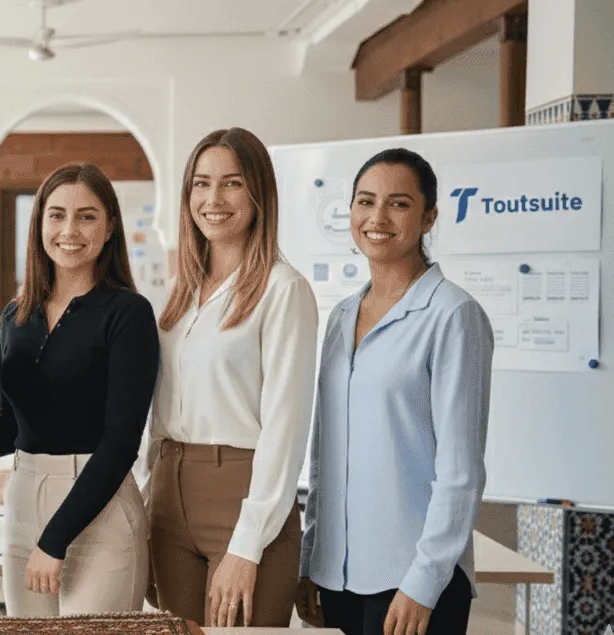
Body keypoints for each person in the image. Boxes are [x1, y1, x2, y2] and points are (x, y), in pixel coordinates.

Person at [295, 148, 493, 635]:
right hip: (339, 574)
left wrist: (423, 582)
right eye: (365, 202)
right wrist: (311, 558)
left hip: (412, 579)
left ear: (429, 217)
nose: (377, 217)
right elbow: (326, 454)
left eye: (398, 204)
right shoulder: (342, 315)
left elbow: (461, 471)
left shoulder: (453, 315)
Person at [145, 127, 318, 628]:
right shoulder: (179, 293)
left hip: (243, 499)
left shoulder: (284, 291)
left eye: (232, 184)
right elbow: (157, 412)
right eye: (200, 184)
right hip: (168, 495)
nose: (213, 199)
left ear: (258, 193)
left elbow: (285, 428)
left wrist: (247, 546)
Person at [0, 163, 159, 616]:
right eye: (56, 215)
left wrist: (54, 541)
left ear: (110, 226)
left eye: (87, 216)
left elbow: (120, 444)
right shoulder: (16, 315)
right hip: (24, 503)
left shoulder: (128, 314)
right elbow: (9, 428)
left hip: (101, 512)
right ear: (39, 225)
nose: (69, 230)